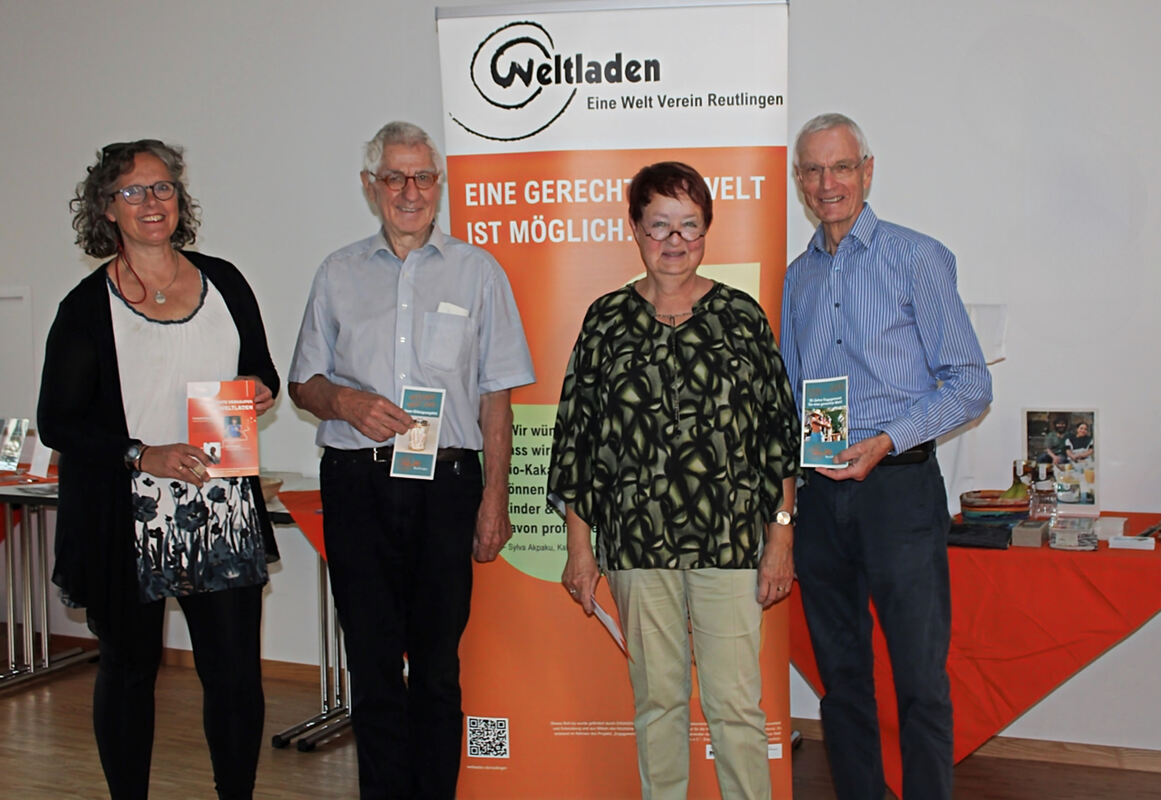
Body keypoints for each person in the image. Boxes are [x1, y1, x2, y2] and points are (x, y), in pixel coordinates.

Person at [287, 120, 534, 799]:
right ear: (370, 186)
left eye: (422, 177)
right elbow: (302, 383)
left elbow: (496, 398)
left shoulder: (478, 272)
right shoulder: (336, 273)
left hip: (446, 487)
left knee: (436, 667)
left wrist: (495, 500)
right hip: (357, 484)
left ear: (439, 184)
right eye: (394, 177)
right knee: (371, 666)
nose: (409, 191)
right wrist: (344, 402)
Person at [549, 161, 800, 800]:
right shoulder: (606, 320)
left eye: (689, 225)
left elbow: (778, 438)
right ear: (635, 228)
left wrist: (781, 537)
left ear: (707, 230)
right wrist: (580, 548)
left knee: (735, 705)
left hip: (730, 543)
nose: (674, 240)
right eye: (659, 225)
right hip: (636, 545)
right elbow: (578, 442)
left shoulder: (741, 317)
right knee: (657, 702)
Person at [38, 139, 280, 799]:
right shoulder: (85, 308)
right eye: (133, 191)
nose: (151, 202)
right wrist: (142, 454)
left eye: (163, 187)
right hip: (127, 512)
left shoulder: (225, 281)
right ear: (107, 209)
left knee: (235, 675)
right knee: (129, 672)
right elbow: (58, 422)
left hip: (220, 505)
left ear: (180, 198)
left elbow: (260, 367)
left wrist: (259, 389)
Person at [781, 114, 992, 800]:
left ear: (866, 173)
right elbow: (791, 394)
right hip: (820, 499)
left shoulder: (917, 258)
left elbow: (970, 384)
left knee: (919, 679)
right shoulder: (796, 280)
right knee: (841, 682)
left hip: (898, 491)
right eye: (813, 170)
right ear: (799, 181)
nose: (827, 183)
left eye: (841, 167)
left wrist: (886, 440)